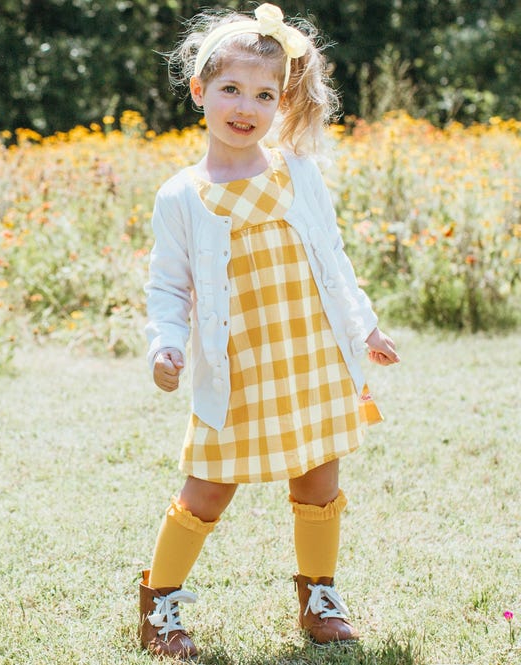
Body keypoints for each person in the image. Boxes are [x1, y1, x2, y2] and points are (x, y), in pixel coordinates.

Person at [140, 3, 400, 659]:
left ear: (281, 100)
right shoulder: (183, 194)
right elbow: (168, 287)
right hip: (236, 374)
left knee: (319, 479)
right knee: (206, 489)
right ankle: (159, 604)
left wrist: (366, 326)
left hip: (310, 359)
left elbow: (334, 258)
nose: (245, 106)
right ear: (200, 91)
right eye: (230, 88)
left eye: (263, 93)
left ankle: (319, 599)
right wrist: (165, 344)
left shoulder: (298, 172)